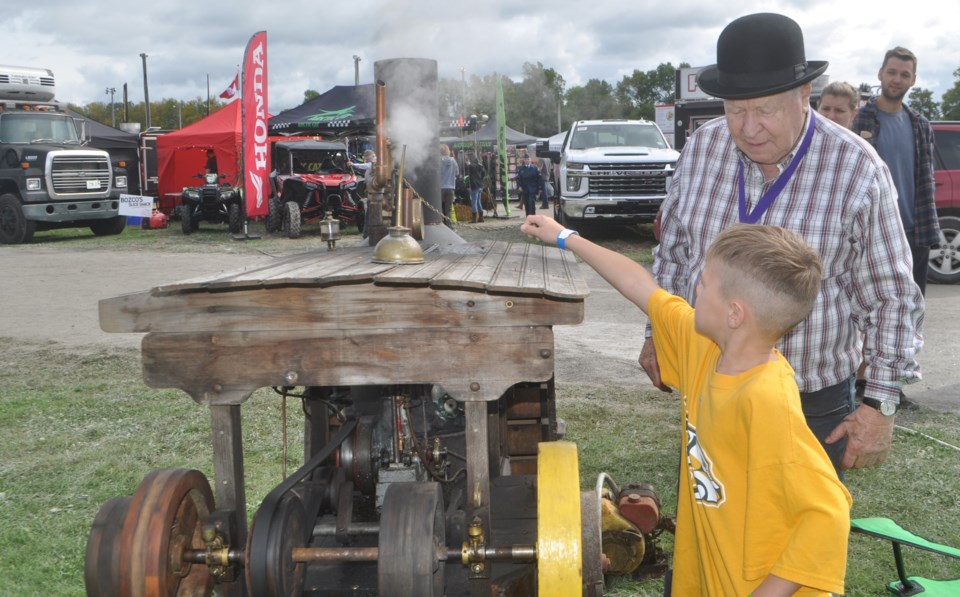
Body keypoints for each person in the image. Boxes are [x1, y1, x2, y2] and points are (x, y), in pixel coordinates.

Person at [642, 12, 924, 476]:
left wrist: (880, 404)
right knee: (717, 524)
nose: (749, 128)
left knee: (799, 539)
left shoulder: (856, 169)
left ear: (803, 96)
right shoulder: (702, 149)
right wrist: (657, 333)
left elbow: (890, 296)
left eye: (765, 110)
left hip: (808, 400)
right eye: (736, 110)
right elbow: (674, 252)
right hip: (709, 382)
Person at [522, 216, 852, 596]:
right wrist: (566, 237)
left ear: (734, 314)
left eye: (704, 283)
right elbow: (641, 287)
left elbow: (828, 514)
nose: (695, 287)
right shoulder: (706, 347)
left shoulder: (766, 400)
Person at [852, 47, 940, 298]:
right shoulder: (859, 120)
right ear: (880, 73)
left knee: (914, 307)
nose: (896, 79)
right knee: (871, 308)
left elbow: (926, 180)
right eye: (891, 72)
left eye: (904, 74)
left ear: (913, 80)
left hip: (914, 231)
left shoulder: (921, 125)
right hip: (872, 233)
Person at [439, 144, 458, 228]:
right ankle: (449, 226)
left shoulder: (438, 160)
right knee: (449, 209)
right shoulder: (453, 161)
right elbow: (457, 173)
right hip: (451, 187)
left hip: (440, 188)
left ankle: (441, 225)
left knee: (439, 208)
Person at [466, 153, 486, 223]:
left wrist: (468, 165)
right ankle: (481, 217)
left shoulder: (471, 166)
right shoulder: (480, 165)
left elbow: (471, 169)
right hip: (480, 185)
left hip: (474, 185)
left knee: (474, 202)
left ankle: (474, 218)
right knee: (478, 201)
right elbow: (483, 174)